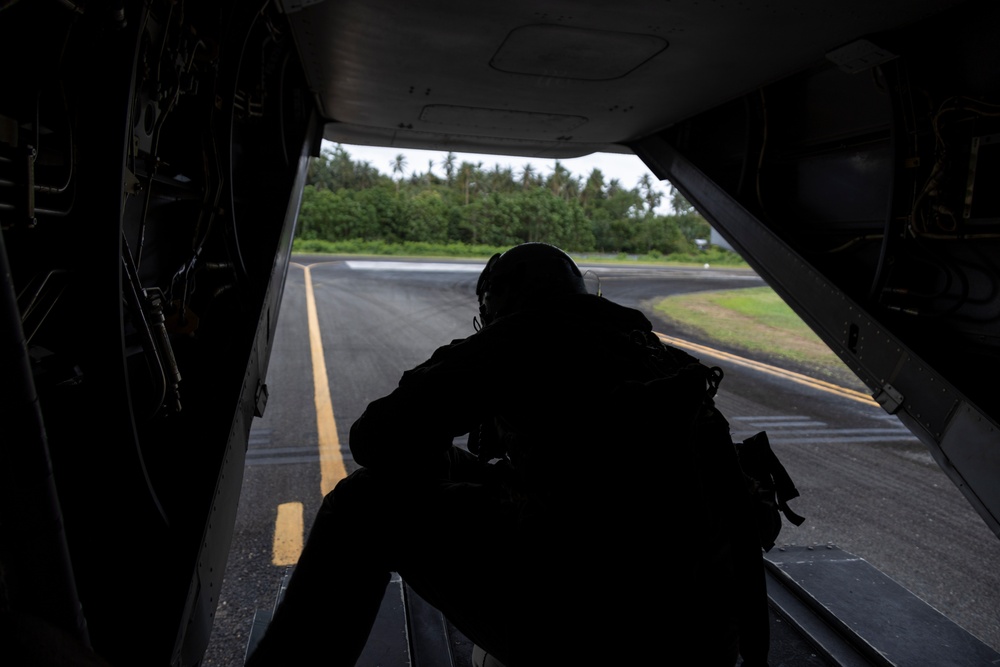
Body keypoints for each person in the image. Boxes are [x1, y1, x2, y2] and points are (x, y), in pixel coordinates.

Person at [245, 242, 766, 666]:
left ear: (500, 304)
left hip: (594, 632)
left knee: (361, 503)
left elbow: (375, 438)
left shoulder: (522, 336)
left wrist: (462, 370)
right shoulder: (651, 350)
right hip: (705, 632)